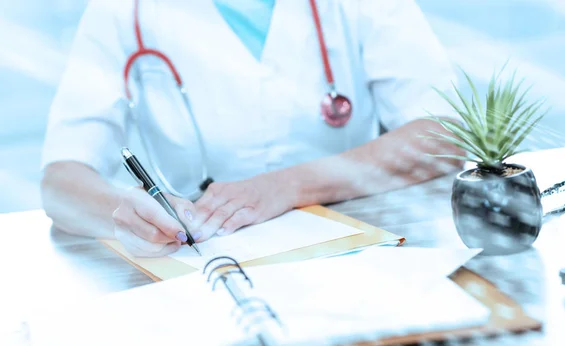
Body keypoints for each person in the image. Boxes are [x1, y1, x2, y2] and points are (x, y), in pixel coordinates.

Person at [40, 0, 465, 258]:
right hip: (202, 258)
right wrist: (122, 213)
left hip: (357, 250)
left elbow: (443, 134)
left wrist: (290, 186)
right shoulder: (123, 10)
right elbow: (61, 180)